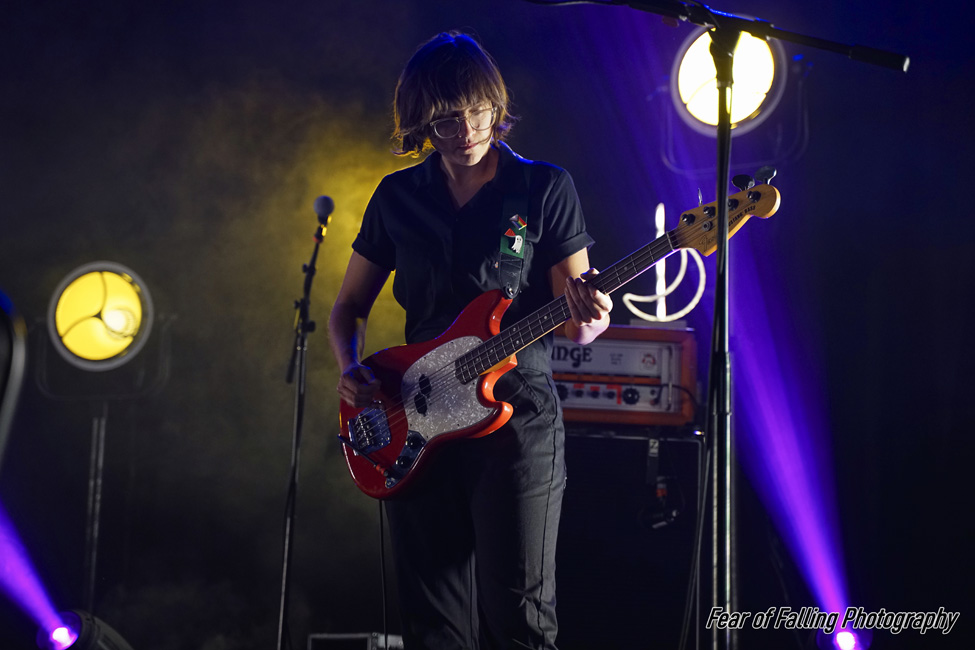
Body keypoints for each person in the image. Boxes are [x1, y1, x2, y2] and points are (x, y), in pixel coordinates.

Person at [328, 31, 612, 650]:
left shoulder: (542, 188)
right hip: (415, 417)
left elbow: (579, 319)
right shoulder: (397, 197)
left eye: (479, 109)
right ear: (420, 120)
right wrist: (349, 366)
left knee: (518, 617)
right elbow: (348, 306)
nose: (467, 128)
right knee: (433, 625)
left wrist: (592, 314)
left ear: (495, 104)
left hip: (514, 422)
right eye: (448, 117)